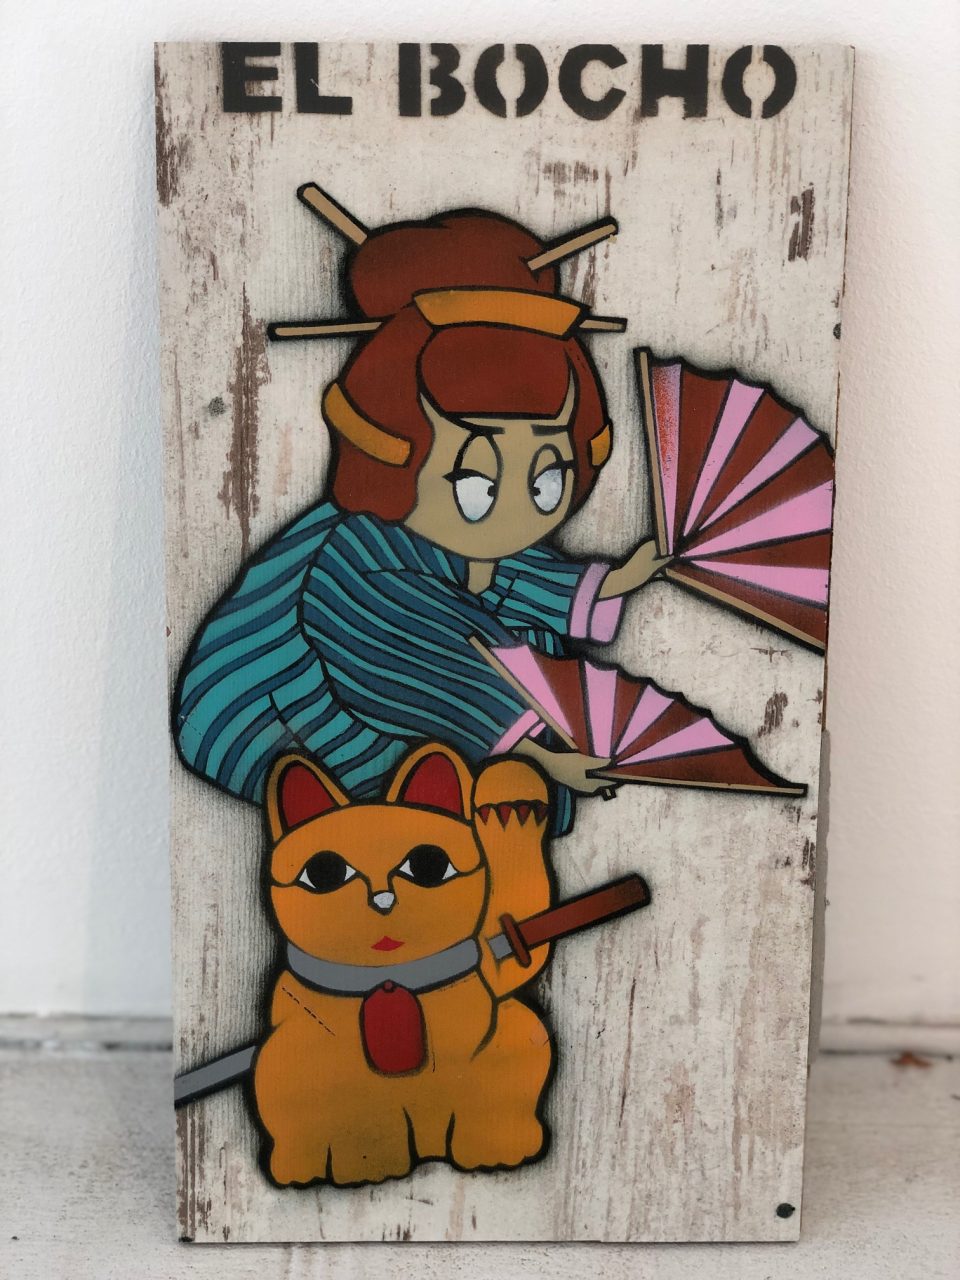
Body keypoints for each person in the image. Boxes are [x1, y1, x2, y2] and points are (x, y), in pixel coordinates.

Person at [173, 202, 669, 835]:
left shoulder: (452, 539)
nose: (517, 509)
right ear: (392, 453)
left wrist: (618, 580)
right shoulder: (358, 561)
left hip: (398, 730)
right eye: (476, 483)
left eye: (547, 480)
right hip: (284, 715)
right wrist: (541, 756)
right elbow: (418, 661)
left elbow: (508, 573)